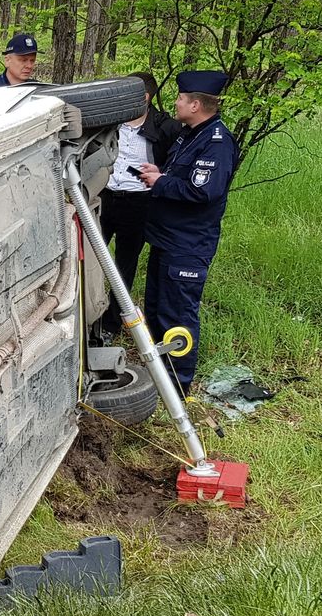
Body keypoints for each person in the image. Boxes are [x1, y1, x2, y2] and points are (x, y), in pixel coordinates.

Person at [134, 70, 238, 395]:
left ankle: (178, 387)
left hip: (188, 245)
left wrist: (161, 183)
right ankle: (159, 377)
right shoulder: (189, 133)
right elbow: (184, 175)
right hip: (167, 239)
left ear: (195, 104)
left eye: (181, 98)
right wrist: (160, 173)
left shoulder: (217, 142)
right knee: (155, 309)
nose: (176, 103)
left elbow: (202, 192)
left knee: (176, 316)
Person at [98, 72, 182, 337]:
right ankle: (86, 315)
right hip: (104, 197)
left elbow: (176, 163)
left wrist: (161, 176)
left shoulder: (165, 126)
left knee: (124, 265)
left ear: (144, 98)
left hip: (138, 203)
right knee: (89, 258)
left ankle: (111, 324)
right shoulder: (111, 120)